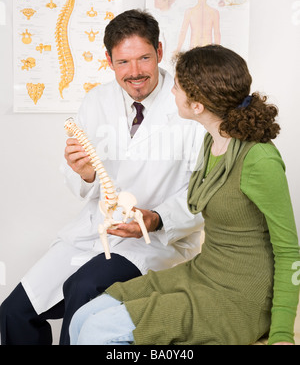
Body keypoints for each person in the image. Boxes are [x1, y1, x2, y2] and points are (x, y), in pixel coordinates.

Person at [69, 45, 300, 346]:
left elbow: (289, 250)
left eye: (176, 87)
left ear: (198, 106)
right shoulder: (212, 142)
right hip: (203, 274)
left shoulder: (260, 160)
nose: (171, 92)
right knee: (83, 317)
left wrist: (281, 333)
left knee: (98, 331)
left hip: (239, 299)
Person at [0, 10, 204, 345]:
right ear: (108, 60)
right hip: (96, 231)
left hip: (155, 242)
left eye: (144, 58)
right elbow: (78, 177)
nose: (135, 72)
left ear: (160, 52)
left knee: (82, 289)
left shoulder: (187, 105)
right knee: (14, 312)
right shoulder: (98, 100)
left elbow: (203, 192)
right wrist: (86, 173)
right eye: (123, 62)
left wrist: (155, 219)